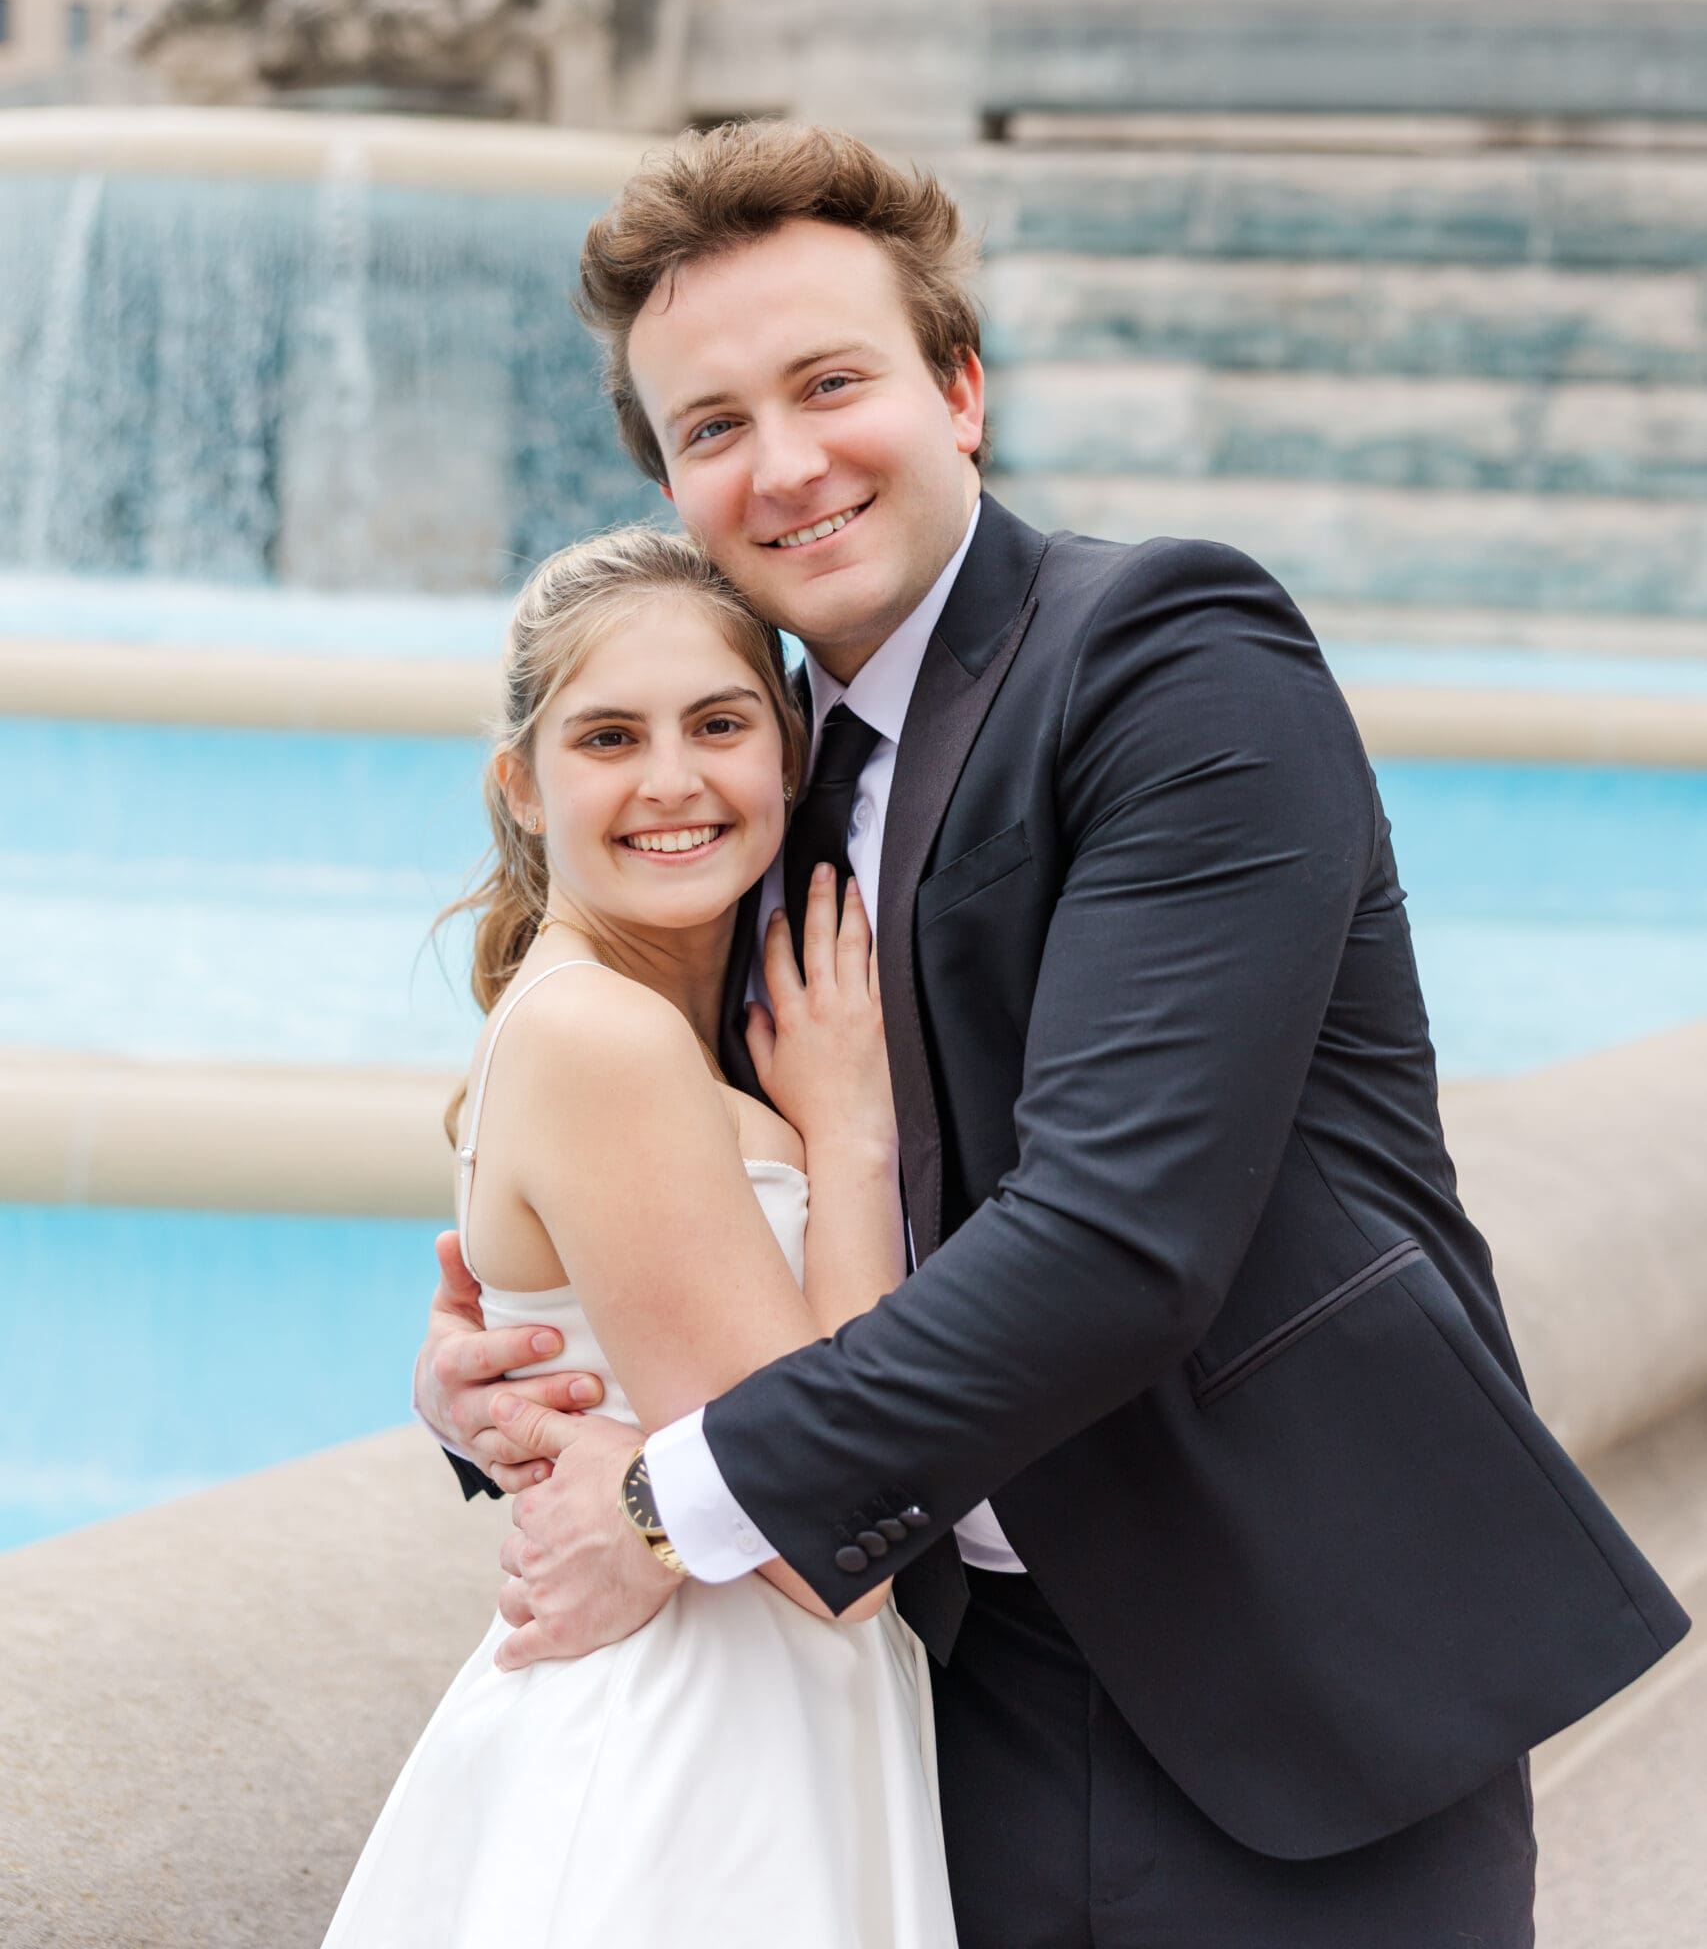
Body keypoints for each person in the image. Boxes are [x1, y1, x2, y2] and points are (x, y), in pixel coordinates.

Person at [418, 121, 1689, 1949]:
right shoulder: (751, 778)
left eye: (830, 383)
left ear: (962, 392)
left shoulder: (1171, 651)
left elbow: (1119, 1237)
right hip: (944, 1699)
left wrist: (659, 1499)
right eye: (711, 427)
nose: (782, 465)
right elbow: (682, 1180)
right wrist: (495, 1385)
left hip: (1287, 1676)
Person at [327, 526, 958, 1946]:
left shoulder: (661, 1023)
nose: (671, 780)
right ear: (523, 786)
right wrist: (852, 1140)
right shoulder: (605, 1039)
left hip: (747, 1718)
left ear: (789, 757)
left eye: (719, 724)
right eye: (609, 736)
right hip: (688, 1763)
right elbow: (824, 1538)